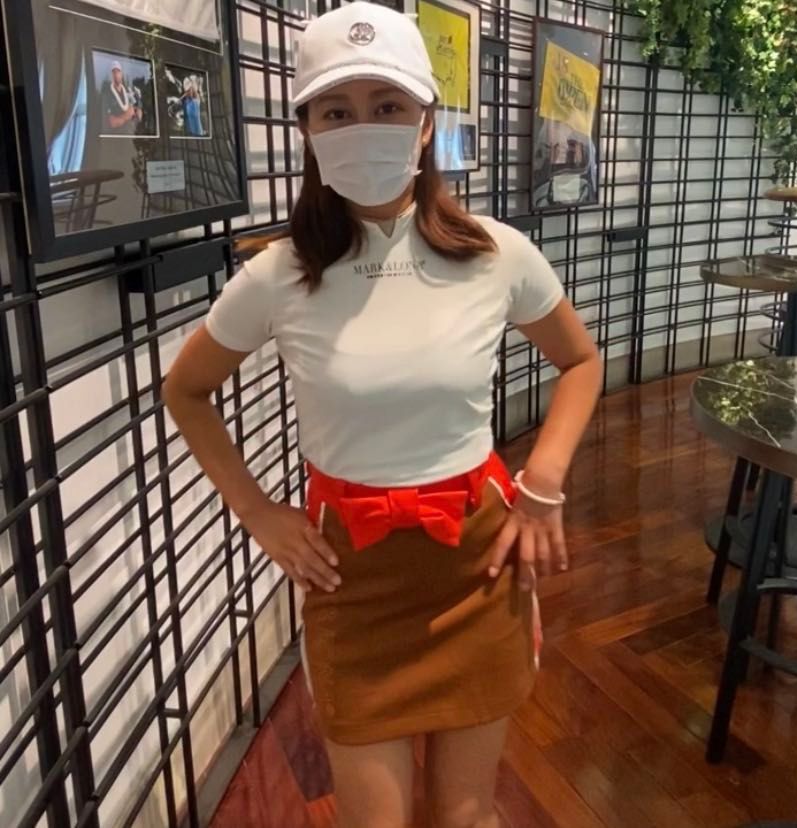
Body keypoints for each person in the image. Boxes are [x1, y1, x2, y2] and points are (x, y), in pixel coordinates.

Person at [163, 3, 602, 826]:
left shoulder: (495, 252)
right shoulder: (278, 275)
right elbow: (185, 391)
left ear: (426, 123)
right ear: (306, 130)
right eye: (336, 111)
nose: (363, 127)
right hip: (350, 577)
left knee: (466, 817)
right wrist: (256, 511)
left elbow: (581, 361)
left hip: (478, 564)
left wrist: (543, 482)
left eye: (388, 105)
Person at [103, 60, 143, 135]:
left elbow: (139, 115)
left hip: (132, 135)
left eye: (118, 71)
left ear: (121, 73)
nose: (116, 74)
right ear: (111, 74)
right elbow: (112, 123)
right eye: (114, 72)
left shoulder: (129, 90)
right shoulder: (107, 94)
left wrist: (137, 111)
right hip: (117, 136)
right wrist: (127, 115)